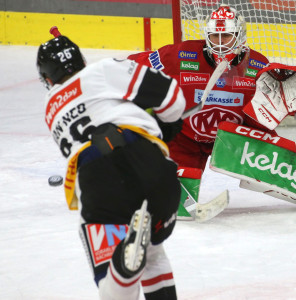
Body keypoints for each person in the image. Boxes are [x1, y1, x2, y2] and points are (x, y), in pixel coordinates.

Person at [37, 27, 185, 300]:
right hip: (150, 167)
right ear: (82, 60)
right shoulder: (101, 70)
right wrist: (165, 123)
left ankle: (122, 269)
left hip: (98, 180)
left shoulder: (50, 107)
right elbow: (173, 98)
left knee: (111, 283)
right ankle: (129, 258)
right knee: (152, 253)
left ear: (48, 79)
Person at [128, 4, 270, 219]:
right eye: (215, 36)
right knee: (168, 203)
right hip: (186, 139)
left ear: (239, 36)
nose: (220, 43)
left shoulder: (259, 65)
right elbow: (132, 66)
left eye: (227, 37)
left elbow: (269, 108)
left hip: (233, 140)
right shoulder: (181, 55)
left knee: (274, 152)